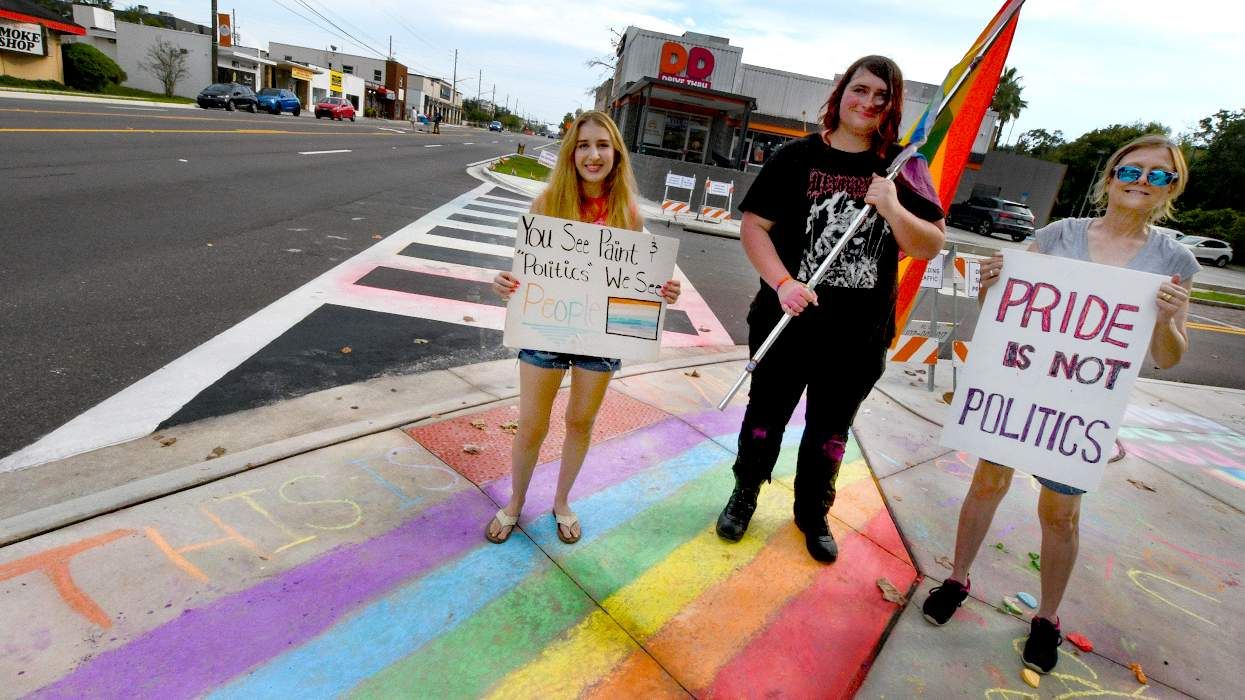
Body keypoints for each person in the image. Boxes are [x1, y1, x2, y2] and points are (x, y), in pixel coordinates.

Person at [922, 134, 1199, 674]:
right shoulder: (1057, 235)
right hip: (1021, 392)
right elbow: (1004, 311)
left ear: (1172, 186)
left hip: (1081, 407)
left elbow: (1168, 357)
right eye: (1132, 169)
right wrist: (991, 284)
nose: (1142, 180)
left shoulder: (1174, 260)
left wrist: (1166, 317)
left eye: (1158, 175)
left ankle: (1046, 617)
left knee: (1062, 515)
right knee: (987, 484)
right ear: (1111, 175)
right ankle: (957, 578)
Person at [715, 56, 946, 563]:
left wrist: (893, 206)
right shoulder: (794, 157)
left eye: (881, 97)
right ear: (840, 93)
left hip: (858, 337)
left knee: (830, 430)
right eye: (859, 90)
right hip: (786, 323)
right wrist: (782, 282)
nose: (867, 103)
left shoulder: (904, 169)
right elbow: (754, 228)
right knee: (764, 417)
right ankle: (745, 492)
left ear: (892, 107)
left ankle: (813, 510)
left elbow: (929, 245)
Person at [486, 111, 682, 545]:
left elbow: (642, 277)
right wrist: (505, 282)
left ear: (616, 153)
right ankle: (516, 502)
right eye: (583, 145)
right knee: (532, 424)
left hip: (600, 338)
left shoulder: (628, 214)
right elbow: (528, 268)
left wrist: (662, 290)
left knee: (580, 422)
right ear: (571, 152)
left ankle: (561, 502)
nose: (593, 155)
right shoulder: (546, 204)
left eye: (602, 145)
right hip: (544, 329)